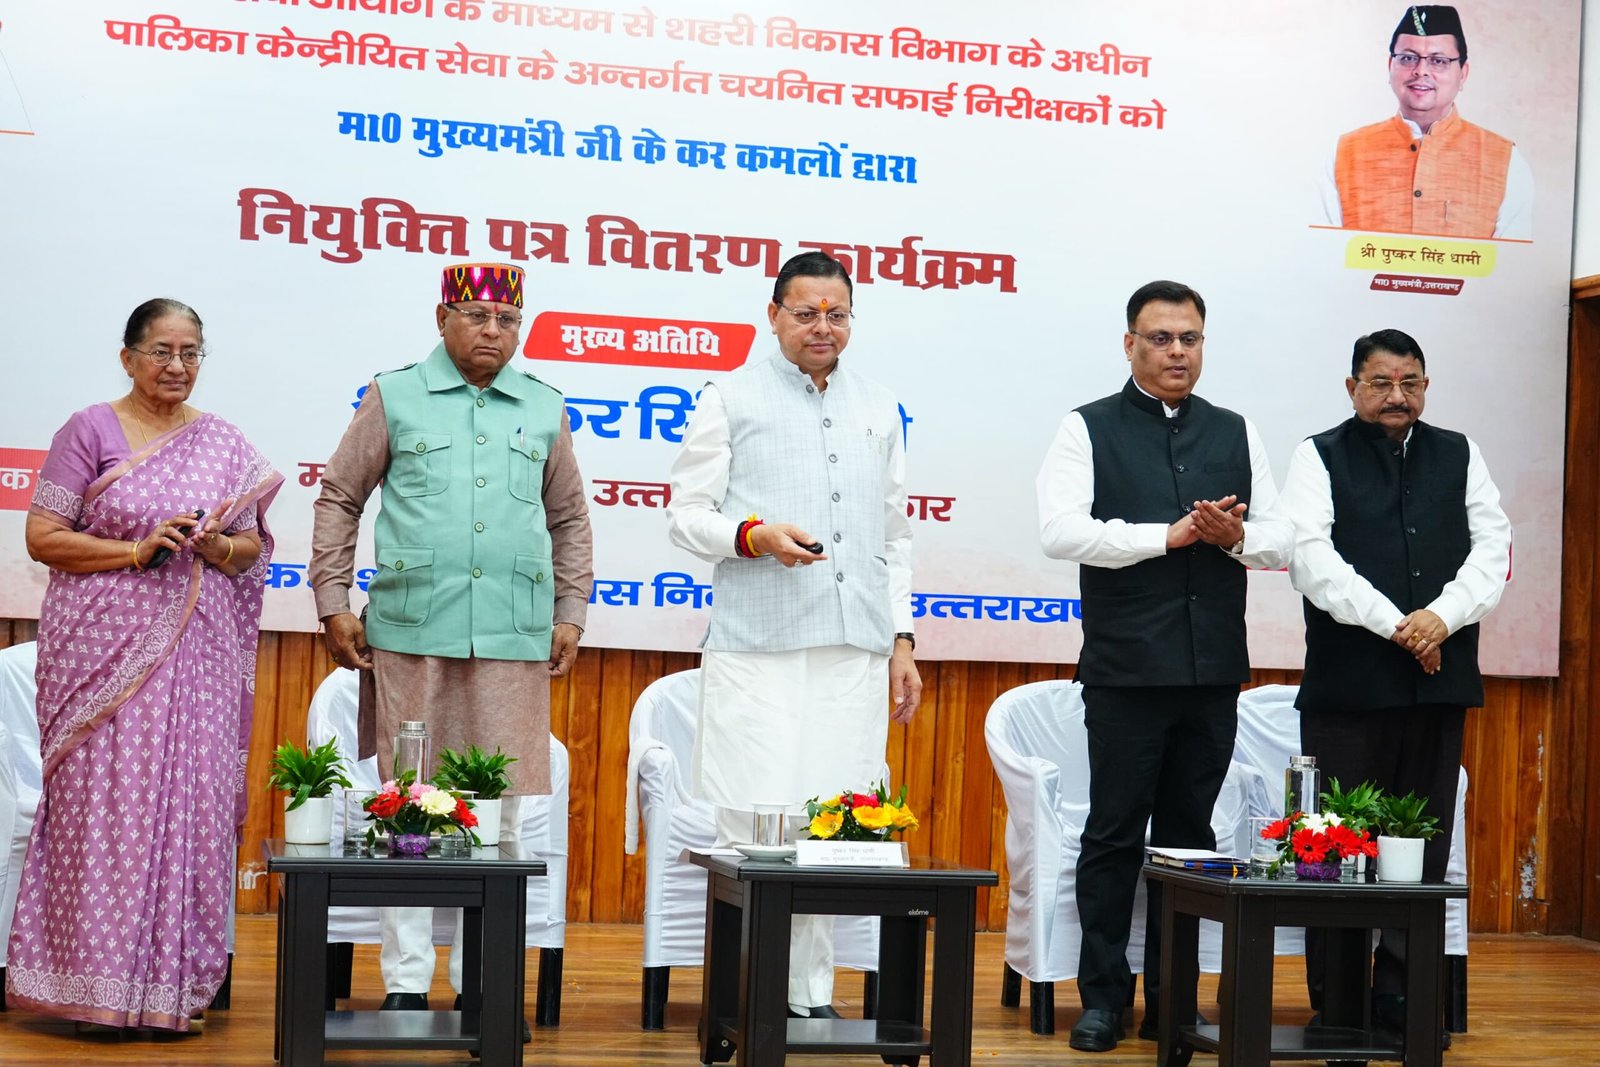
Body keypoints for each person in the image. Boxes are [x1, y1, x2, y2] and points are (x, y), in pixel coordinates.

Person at [308, 262, 593, 1013]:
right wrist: (332, 599)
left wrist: (571, 612)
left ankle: (481, 985)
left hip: (512, 635)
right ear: (442, 319)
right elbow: (339, 496)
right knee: (408, 807)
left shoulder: (544, 405)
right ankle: (406, 983)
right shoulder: (395, 394)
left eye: (507, 319)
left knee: (499, 814)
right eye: (475, 315)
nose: (492, 331)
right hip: (412, 630)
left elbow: (569, 518)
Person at [6, 299, 282, 1033]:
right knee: (103, 811)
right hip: (101, 659)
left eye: (191, 352)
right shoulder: (89, 429)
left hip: (198, 663)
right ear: (128, 357)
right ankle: (89, 985)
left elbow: (251, 548)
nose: (177, 366)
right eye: (161, 351)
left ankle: (170, 989)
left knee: (190, 806)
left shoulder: (223, 441)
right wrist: (136, 550)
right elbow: (43, 535)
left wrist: (216, 546)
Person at [1035, 280, 1292, 1052]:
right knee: (1113, 833)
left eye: (1190, 338)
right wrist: (1166, 536)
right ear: (1130, 345)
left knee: (1190, 841)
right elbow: (1060, 531)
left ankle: (1174, 1001)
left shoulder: (1235, 430)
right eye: (1160, 338)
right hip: (1125, 671)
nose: (1177, 351)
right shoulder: (1087, 427)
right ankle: (1103, 999)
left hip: (1212, 672)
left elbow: (1282, 540)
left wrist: (1233, 537)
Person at [665, 250, 922, 1018]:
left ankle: (809, 997)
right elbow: (685, 515)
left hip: (855, 647)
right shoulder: (730, 396)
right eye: (805, 313)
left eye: (836, 314)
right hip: (758, 646)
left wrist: (903, 640)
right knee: (755, 820)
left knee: (834, 823)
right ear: (773, 314)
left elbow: (895, 536)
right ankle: (751, 996)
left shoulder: (879, 405)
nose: (821, 327)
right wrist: (753, 535)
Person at [1280, 328, 1509, 1037]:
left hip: (1438, 686)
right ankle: (1340, 998)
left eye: (1410, 383)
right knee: (1336, 844)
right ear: (1353, 388)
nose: (1396, 396)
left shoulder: (1460, 453)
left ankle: (1403, 995)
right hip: (1349, 688)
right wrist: (1400, 627)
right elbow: (1312, 560)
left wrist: (1441, 618)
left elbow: (1492, 549)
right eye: (1380, 383)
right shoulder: (1318, 454)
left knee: (1421, 845)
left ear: (1426, 387)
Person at [1319, 5, 1532, 240]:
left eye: (1438, 61)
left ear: (1463, 73)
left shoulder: (1506, 161)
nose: (1421, 71)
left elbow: (1511, 259)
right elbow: (1325, 252)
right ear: (1390, 66)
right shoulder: (1344, 154)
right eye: (1408, 58)